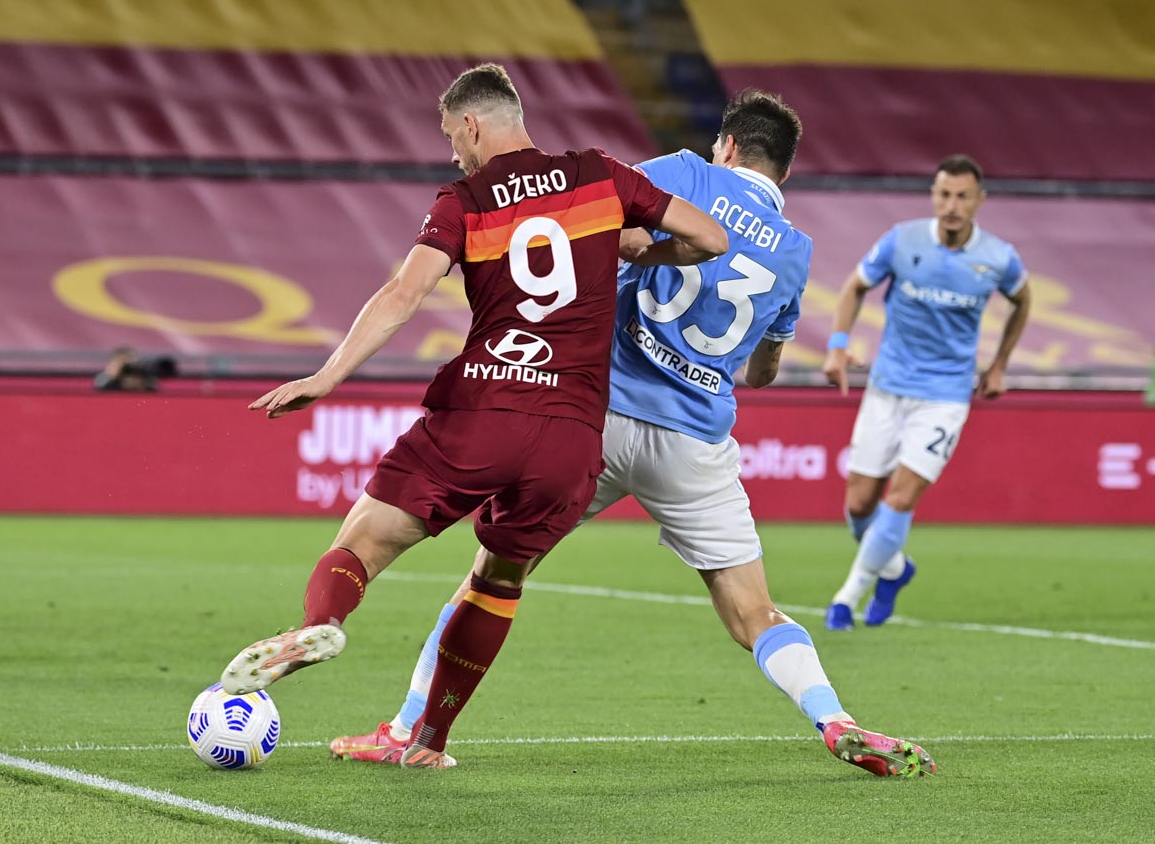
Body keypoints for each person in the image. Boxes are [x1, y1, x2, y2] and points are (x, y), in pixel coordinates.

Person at [329, 90, 937, 778]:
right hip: (694, 442)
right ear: (785, 174)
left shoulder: (682, 171)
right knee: (754, 611)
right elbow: (762, 369)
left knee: (493, 575)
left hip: (598, 417)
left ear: (728, 146)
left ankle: (412, 729)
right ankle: (836, 718)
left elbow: (586, 214)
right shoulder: (796, 253)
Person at [215, 63, 727, 768]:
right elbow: (710, 240)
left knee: (363, 542)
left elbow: (405, 291)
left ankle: (321, 623)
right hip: (573, 430)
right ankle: (430, 741)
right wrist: (636, 247)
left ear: (474, 123)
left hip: (485, 406)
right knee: (500, 579)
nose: (453, 151)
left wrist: (328, 374)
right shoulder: (601, 174)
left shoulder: (464, 198)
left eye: (452, 135)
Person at [822, 154, 1030, 630]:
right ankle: (894, 571)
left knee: (901, 497)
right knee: (858, 506)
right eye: (944, 194)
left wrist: (999, 365)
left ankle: (846, 599)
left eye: (962, 196)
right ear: (933, 196)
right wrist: (836, 347)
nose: (952, 205)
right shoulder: (902, 240)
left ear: (980, 200)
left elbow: (1024, 299)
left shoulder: (998, 257)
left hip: (945, 396)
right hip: (887, 387)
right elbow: (855, 287)